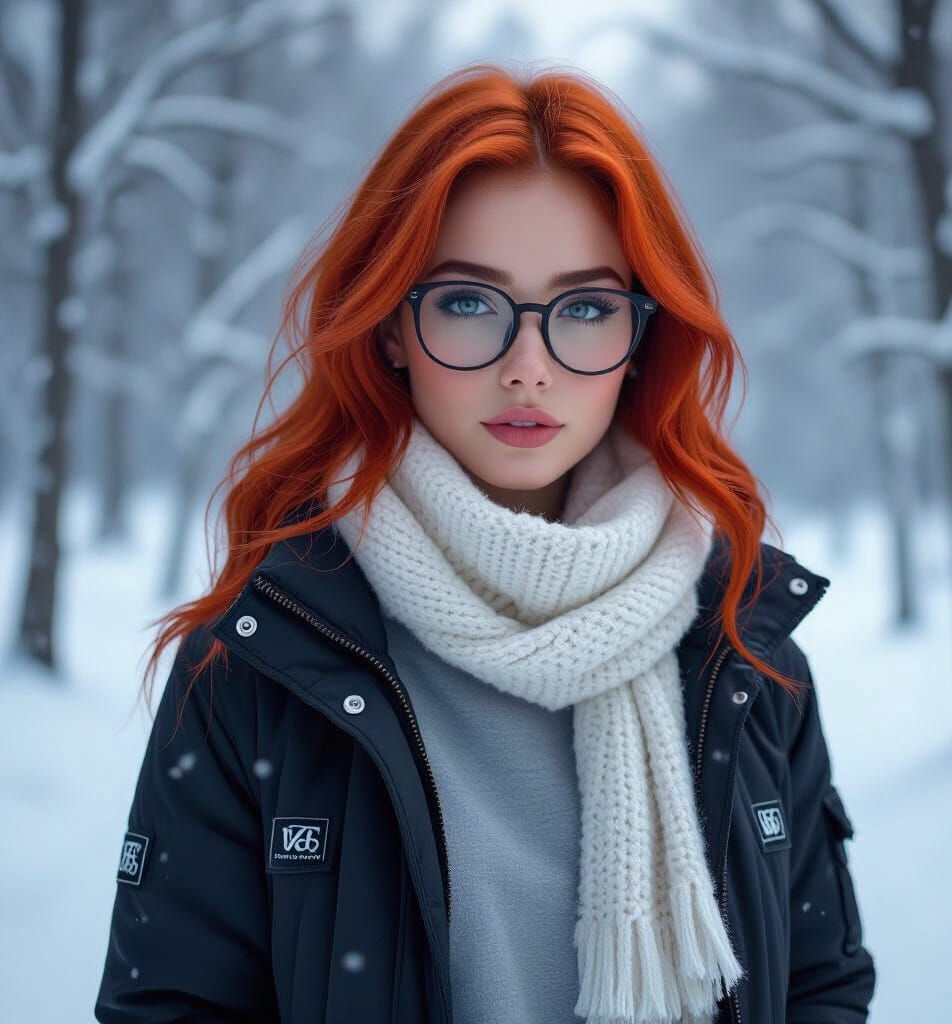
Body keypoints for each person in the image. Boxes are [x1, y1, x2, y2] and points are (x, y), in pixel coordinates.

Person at [94, 63, 876, 1024]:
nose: (527, 368)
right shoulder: (261, 660)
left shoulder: (744, 650)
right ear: (390, 326)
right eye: (468, 302)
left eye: (586, 308)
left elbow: (820, 987)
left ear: (642, 338)